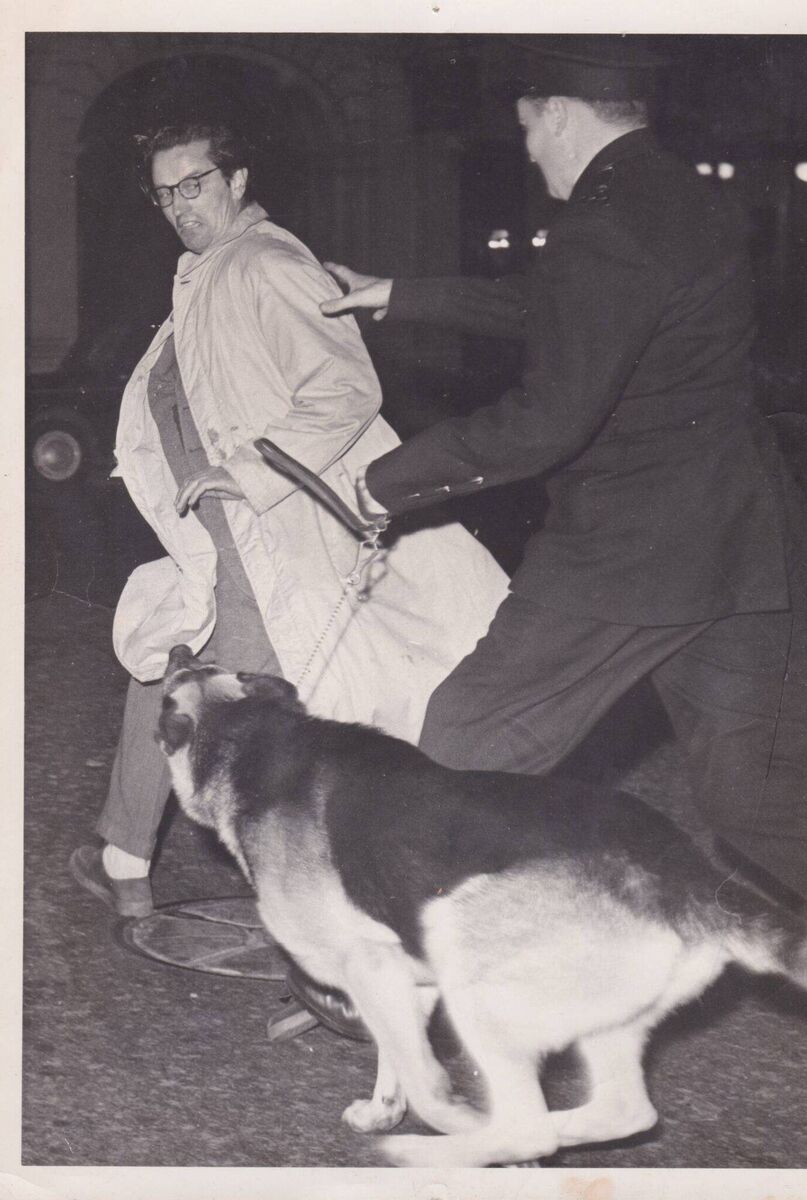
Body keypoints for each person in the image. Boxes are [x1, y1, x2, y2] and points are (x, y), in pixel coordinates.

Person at [320, 36, 807, 903]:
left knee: (462, 744)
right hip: (738, 548)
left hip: (627, 553)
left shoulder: (602, 222)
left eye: (528, 129)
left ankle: (400, 959)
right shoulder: (675, 194)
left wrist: (383, 482)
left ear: (556, 113)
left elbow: (545, 419)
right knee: (771, 800)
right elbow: (578, 311)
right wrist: (402, 292)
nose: (529, 148)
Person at [70, 119, 508, 919]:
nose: (179, 205)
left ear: (236, 180)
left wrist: (237, 474)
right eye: (165, 193)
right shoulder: (209, 271)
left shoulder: (265, 262)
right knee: (173, 663)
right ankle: (129, 852)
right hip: (226, 531)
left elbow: (346, 390)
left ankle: (337, 890)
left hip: (270, 525)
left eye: (194, 184)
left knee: (248, 694)